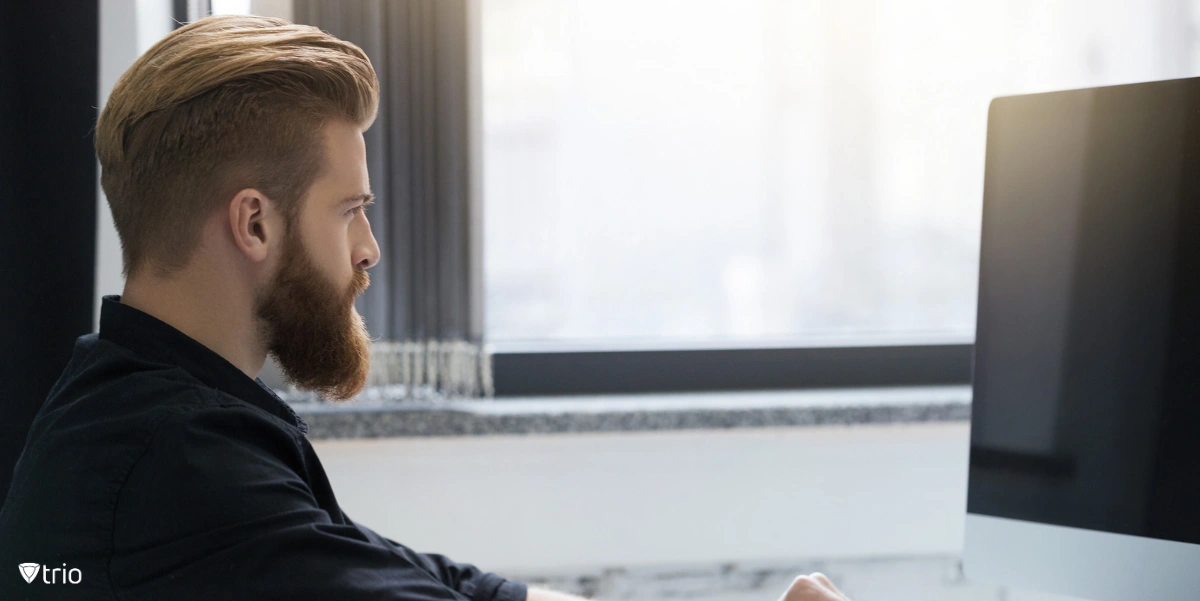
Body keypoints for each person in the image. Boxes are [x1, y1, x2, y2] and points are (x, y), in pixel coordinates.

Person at [0, 14, 852, 601]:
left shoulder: (141, 403)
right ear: (254, 222)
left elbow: (441, 582)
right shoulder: (177, 467)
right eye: (351, 210)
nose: (369, 249)